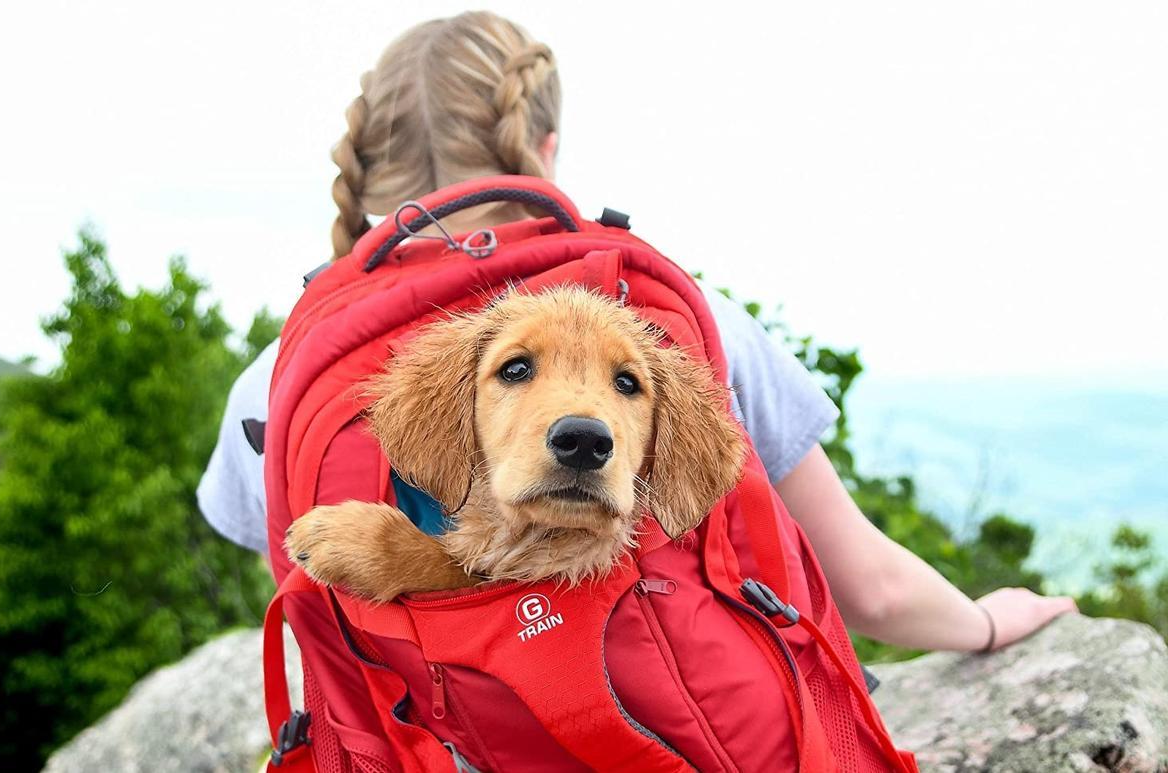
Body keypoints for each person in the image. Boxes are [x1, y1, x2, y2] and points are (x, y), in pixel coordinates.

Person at [197, 10, 1076, 655]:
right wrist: (991, 622)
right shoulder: (669, 320)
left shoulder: (275, 380)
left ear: (366, 173)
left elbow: (304, 602)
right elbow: (872, 591)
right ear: (543, 148)